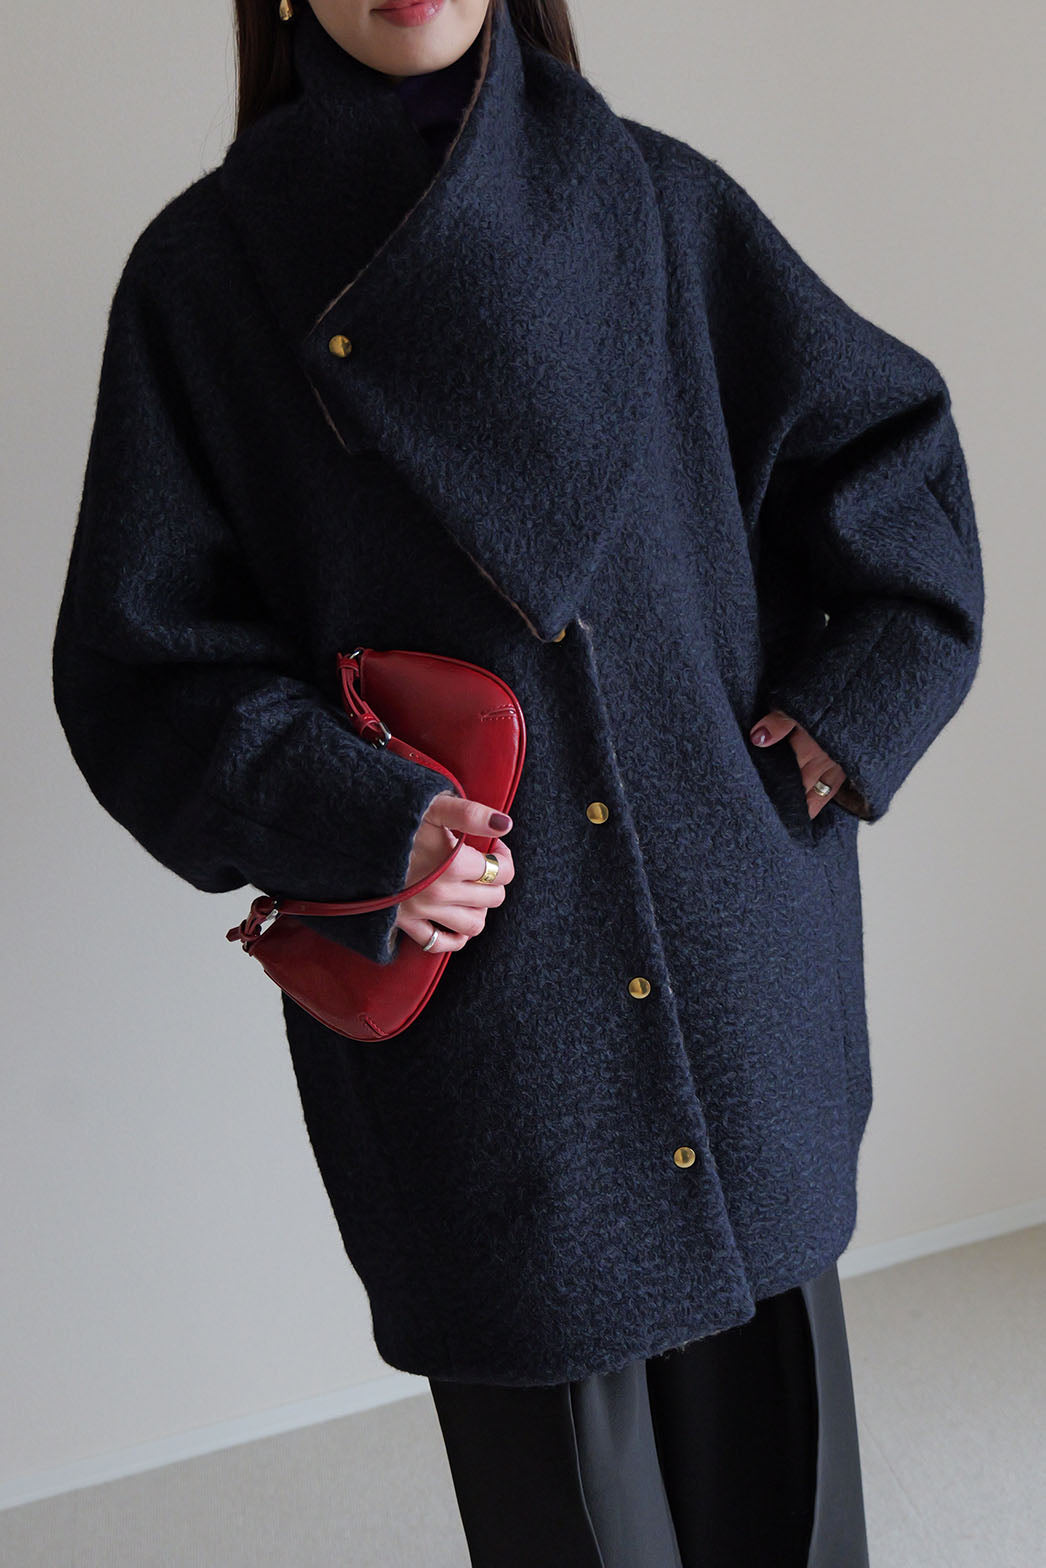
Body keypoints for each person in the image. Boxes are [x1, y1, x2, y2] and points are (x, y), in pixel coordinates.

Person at [51, 0, 984, 1562]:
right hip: (487, 1021)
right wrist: (366, 820)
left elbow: (888, 457)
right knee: (564, 1507)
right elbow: (145, 669)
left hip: (734, 949)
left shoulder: (665, 204)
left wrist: (854, 706)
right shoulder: (205, 279)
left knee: (788, 1492)